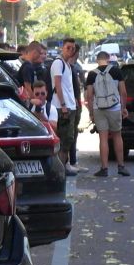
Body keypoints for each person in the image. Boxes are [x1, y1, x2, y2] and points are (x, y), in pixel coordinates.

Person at [85, 50, 129, 177]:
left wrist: (91, 112)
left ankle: (104, 168)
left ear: (97, 60)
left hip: (99, 109)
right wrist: (123, 108)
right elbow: (123, 92)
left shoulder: (92, 74)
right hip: (115, 108)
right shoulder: (116, 71)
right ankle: (121, 166)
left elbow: (89, 95)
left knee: (103, 138)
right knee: (117, 136)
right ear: (108, 59)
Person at [50, 39, 81, 176]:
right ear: (62, 47)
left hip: (70, 105)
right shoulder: (58, 63)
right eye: (68, 47)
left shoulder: (67, 64)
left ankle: (64, 165)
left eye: (73, 48)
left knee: (69, 138)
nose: (71, 51)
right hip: (62, 107)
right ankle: (61, 168)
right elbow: (57, 84)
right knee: (65, 137)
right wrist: (63, 105)